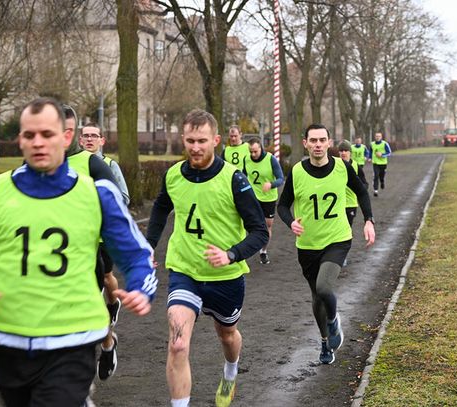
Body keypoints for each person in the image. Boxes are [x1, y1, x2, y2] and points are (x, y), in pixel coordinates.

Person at [0, 97, 157, 407]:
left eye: (47, 134)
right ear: (20, 139)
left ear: (66, 137)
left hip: (73, 338)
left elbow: (136, 255)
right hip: (8, 340)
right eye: (29, 135)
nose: (38, 142)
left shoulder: (97, 195)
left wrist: (142, 287)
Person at [146, 109, 269, 407]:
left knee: (227, 335)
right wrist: (148, 246)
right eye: (190, 140)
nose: (195, 147)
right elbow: (162, 207)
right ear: (183, 139)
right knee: (177, 345)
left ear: (215, 140)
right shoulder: (173, 175)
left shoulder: (234, 180)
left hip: (225, 277)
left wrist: (231, 254)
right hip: (185, 270)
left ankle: (230, 372)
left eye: (202, 140)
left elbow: (259, 232)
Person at [277, 124, 375, 365]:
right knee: (316, 296)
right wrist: (291, 223)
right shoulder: (297, 172)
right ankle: (324, 343)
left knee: (323, 287)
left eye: (322, 140)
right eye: (313, 140)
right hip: (308, 244)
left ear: (329, 142)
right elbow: (282, 205)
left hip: (337, 239)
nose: (318, 144)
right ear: (306, 143)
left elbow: (362, 192)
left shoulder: (342, 167)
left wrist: (368, 221)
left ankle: (334, 323)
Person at [79, 122, 130, 380]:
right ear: (79, 140)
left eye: (93, 136)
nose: (89, 139)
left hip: (102, 238)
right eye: (85, 136)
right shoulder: (69, 166)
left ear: (102, 141)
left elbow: (124, 197)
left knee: (107, 278)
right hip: (78, 242)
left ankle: (111, 316)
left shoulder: (110, 167)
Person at [243, 137, 284, 265]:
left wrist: (271, 185)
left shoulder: (271, 159)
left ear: (261, 148)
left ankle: (263, 251)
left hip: (268, 198)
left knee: (267, 227)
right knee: (249, 225)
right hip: (253, 197)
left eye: (255, 151)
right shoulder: (246, 159)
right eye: (251, 151)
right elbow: (244, 175)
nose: (253, 154)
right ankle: (245, 250)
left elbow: (281, 179)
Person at [368, 132, 392, 197]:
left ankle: (382, 181)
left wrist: (382, 155)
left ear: (381, 137)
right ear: (375, 137)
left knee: (381, 175)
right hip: (375, 163)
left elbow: (389, 153)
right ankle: (375, 190)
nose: (377, 137)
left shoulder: (385, 144)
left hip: (383, 163)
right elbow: (370, 151)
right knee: (376, 175)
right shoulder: (372, 144)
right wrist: (369, 158)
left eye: (379, 136)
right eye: (376, 136)